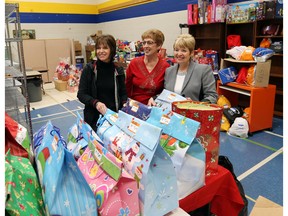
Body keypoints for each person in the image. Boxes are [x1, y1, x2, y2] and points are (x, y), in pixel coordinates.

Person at [149, 33, 218, 105]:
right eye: (176, 50)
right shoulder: (169, 71)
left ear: (191, 53)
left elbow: (212, 96)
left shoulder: (203, 70)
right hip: (171, 114)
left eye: (183, 51)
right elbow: (166, 94)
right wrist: (154, 98)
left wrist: (196, 105)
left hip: (193, 114)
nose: (179, 54)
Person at [77, 34, 127, 131]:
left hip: (113, 117)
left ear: (112, 50)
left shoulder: (118, 70)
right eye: (98, 48)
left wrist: (125, 104)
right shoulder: (89, 69)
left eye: (105, 48)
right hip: (93, 119)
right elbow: (81, 94)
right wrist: (96, 103)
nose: (101, 51)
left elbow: (123, 93)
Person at [125, 29, 170, 105]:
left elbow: (166, 91)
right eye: (144, 43)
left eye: (149, 43)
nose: (145, 46)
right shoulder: (134, 63)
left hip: (154, 107)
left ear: (159, 45)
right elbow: (126, 87)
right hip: (134, 107)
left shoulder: (165, 67)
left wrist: (156, 98)